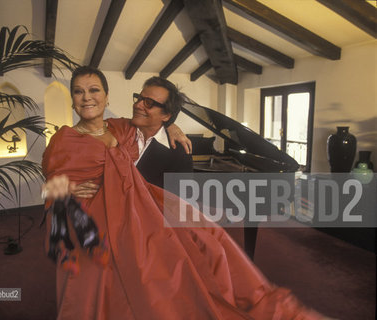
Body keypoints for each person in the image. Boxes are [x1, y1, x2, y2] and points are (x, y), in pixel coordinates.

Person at [42, 66, 326, 320]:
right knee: (102, 282)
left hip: (136, 213)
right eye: (79, 92)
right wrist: (67, 187)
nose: (87, 97)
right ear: (72, 98)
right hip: (89, 219)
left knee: (207, 240)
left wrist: (171, 125)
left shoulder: (123, 127)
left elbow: (151, 126)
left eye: (94, 90)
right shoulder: (63, 139)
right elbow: (49, 185)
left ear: (106, 96)